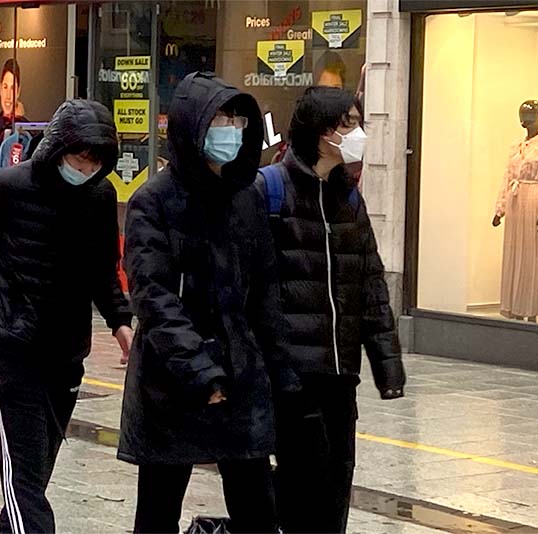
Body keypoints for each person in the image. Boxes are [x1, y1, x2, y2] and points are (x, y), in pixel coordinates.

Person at [0, 99, 134, 534]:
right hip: (13, 343)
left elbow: (102, 271)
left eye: (95, 160)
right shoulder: (10, 186)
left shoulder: (99, 195)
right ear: (58, 148)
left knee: (34, 472)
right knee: (23, 477)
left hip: (67, 349)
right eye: (79, 156)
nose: (85, 167)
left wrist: (121, 323)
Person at [119, 72, 300, 534]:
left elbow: (264, 294)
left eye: (238, 121)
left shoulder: (245, 198)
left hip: (240, 373)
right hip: (173, 381)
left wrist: (281, 373)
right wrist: (200, 372)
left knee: (257, 506)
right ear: (192, 126)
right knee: (159, 509)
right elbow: (153, 297)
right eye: (220, 119)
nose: (231, 130)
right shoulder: (153, 202)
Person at [254, 86, 406, 533]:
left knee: (337, 484)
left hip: (341, 374)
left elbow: (370, 283)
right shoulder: (271, 191)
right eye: (348, 124)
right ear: (322, 133)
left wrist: (388, 364)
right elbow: (253, 289)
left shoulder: (349, 197)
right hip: (292, 375)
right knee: (300, 488)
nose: (358, 133)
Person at [0, 58, 28, 149]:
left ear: (18, 92)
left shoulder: (26, 128)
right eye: (5, 87)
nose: (8, 95)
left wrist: (19, 119)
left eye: (13, 88)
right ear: (0, 88)